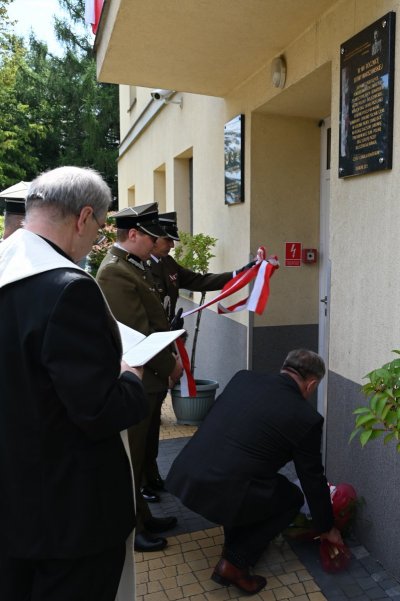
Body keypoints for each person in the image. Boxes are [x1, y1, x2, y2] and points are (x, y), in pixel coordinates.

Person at [0, 166, 148, 601]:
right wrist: (131, 378)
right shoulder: (68, 289)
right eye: (100, 227)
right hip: (70, 516)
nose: (96, 239)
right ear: (85, 217)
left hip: (14, 504)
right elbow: (97, 410)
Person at [166, 349, 343, 595]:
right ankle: (234, 564)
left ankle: (233, 544)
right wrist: (327, 527)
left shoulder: (243, 378)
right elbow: (312, 479)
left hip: (186, 475)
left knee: (250, 480)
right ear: (311, 384)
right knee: (291, 497)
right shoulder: (305, 417)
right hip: (223, 490)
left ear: (285, 367)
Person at [142, 210, 255, 499]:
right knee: (145, 419)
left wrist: (239, 274)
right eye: (168, 240)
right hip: (148, 351)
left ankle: (151, 474)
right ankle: (142, 482)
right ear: (153, 240)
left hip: (165, 344)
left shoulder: (166, 263)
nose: (172, 245)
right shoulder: (139, 268)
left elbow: (198, 281)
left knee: (154, 418)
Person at [96, 204, 183, 553]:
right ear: (132, 235)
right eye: (151, 237)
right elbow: (139, 335)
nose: (157, 244)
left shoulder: (135, 266)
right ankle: (133, 530)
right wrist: (170, 366)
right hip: (141, 378)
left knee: (140, 452)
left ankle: (144, 516)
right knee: (131, 460)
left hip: (151, 376)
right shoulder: (115, 272)